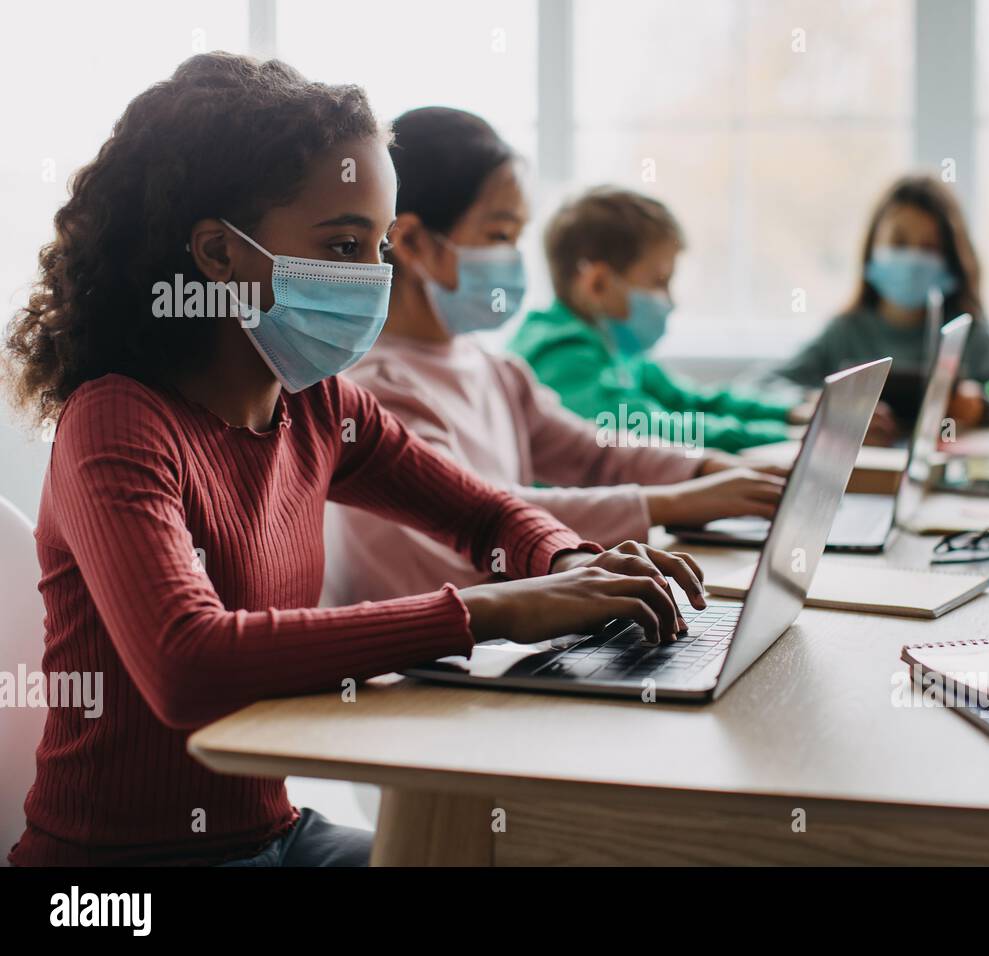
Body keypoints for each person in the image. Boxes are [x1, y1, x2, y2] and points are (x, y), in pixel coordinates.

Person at [2, 53, 704, 867]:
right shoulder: (117, 422)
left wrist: (578, 569)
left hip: (272, 836)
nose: (372, 278)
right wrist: (497, 610)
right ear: (218, 256)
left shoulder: (319, 406)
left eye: (378, 247)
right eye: (342, 245)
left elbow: (484, 514)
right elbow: (186, 663)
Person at [332, 109, 783, 603]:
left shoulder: (495, 369)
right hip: (434, 662)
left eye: (519, 238)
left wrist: (707, 468)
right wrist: (674, 502)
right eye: (500, 235)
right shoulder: (375, 386)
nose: (515, 258)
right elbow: (479, 509)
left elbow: (594, 454)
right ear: (415, 241)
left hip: (513, 634)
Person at [509, 187, 807, 453]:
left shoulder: (617, 350)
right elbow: (654, 431)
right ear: (598, 283)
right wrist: (782, 436)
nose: (671, 301)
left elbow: (689, 401)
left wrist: (791, 413)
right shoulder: (561, 356)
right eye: (659, 281)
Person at [771, 175, 989, 443]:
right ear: (872, 248)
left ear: (950, 260)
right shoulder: (845, 331)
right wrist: (820, 403)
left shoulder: (969, 334)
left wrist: (981, 405)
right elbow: (765, 387)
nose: (913, 259)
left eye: (929, 247)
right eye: (899, 242)